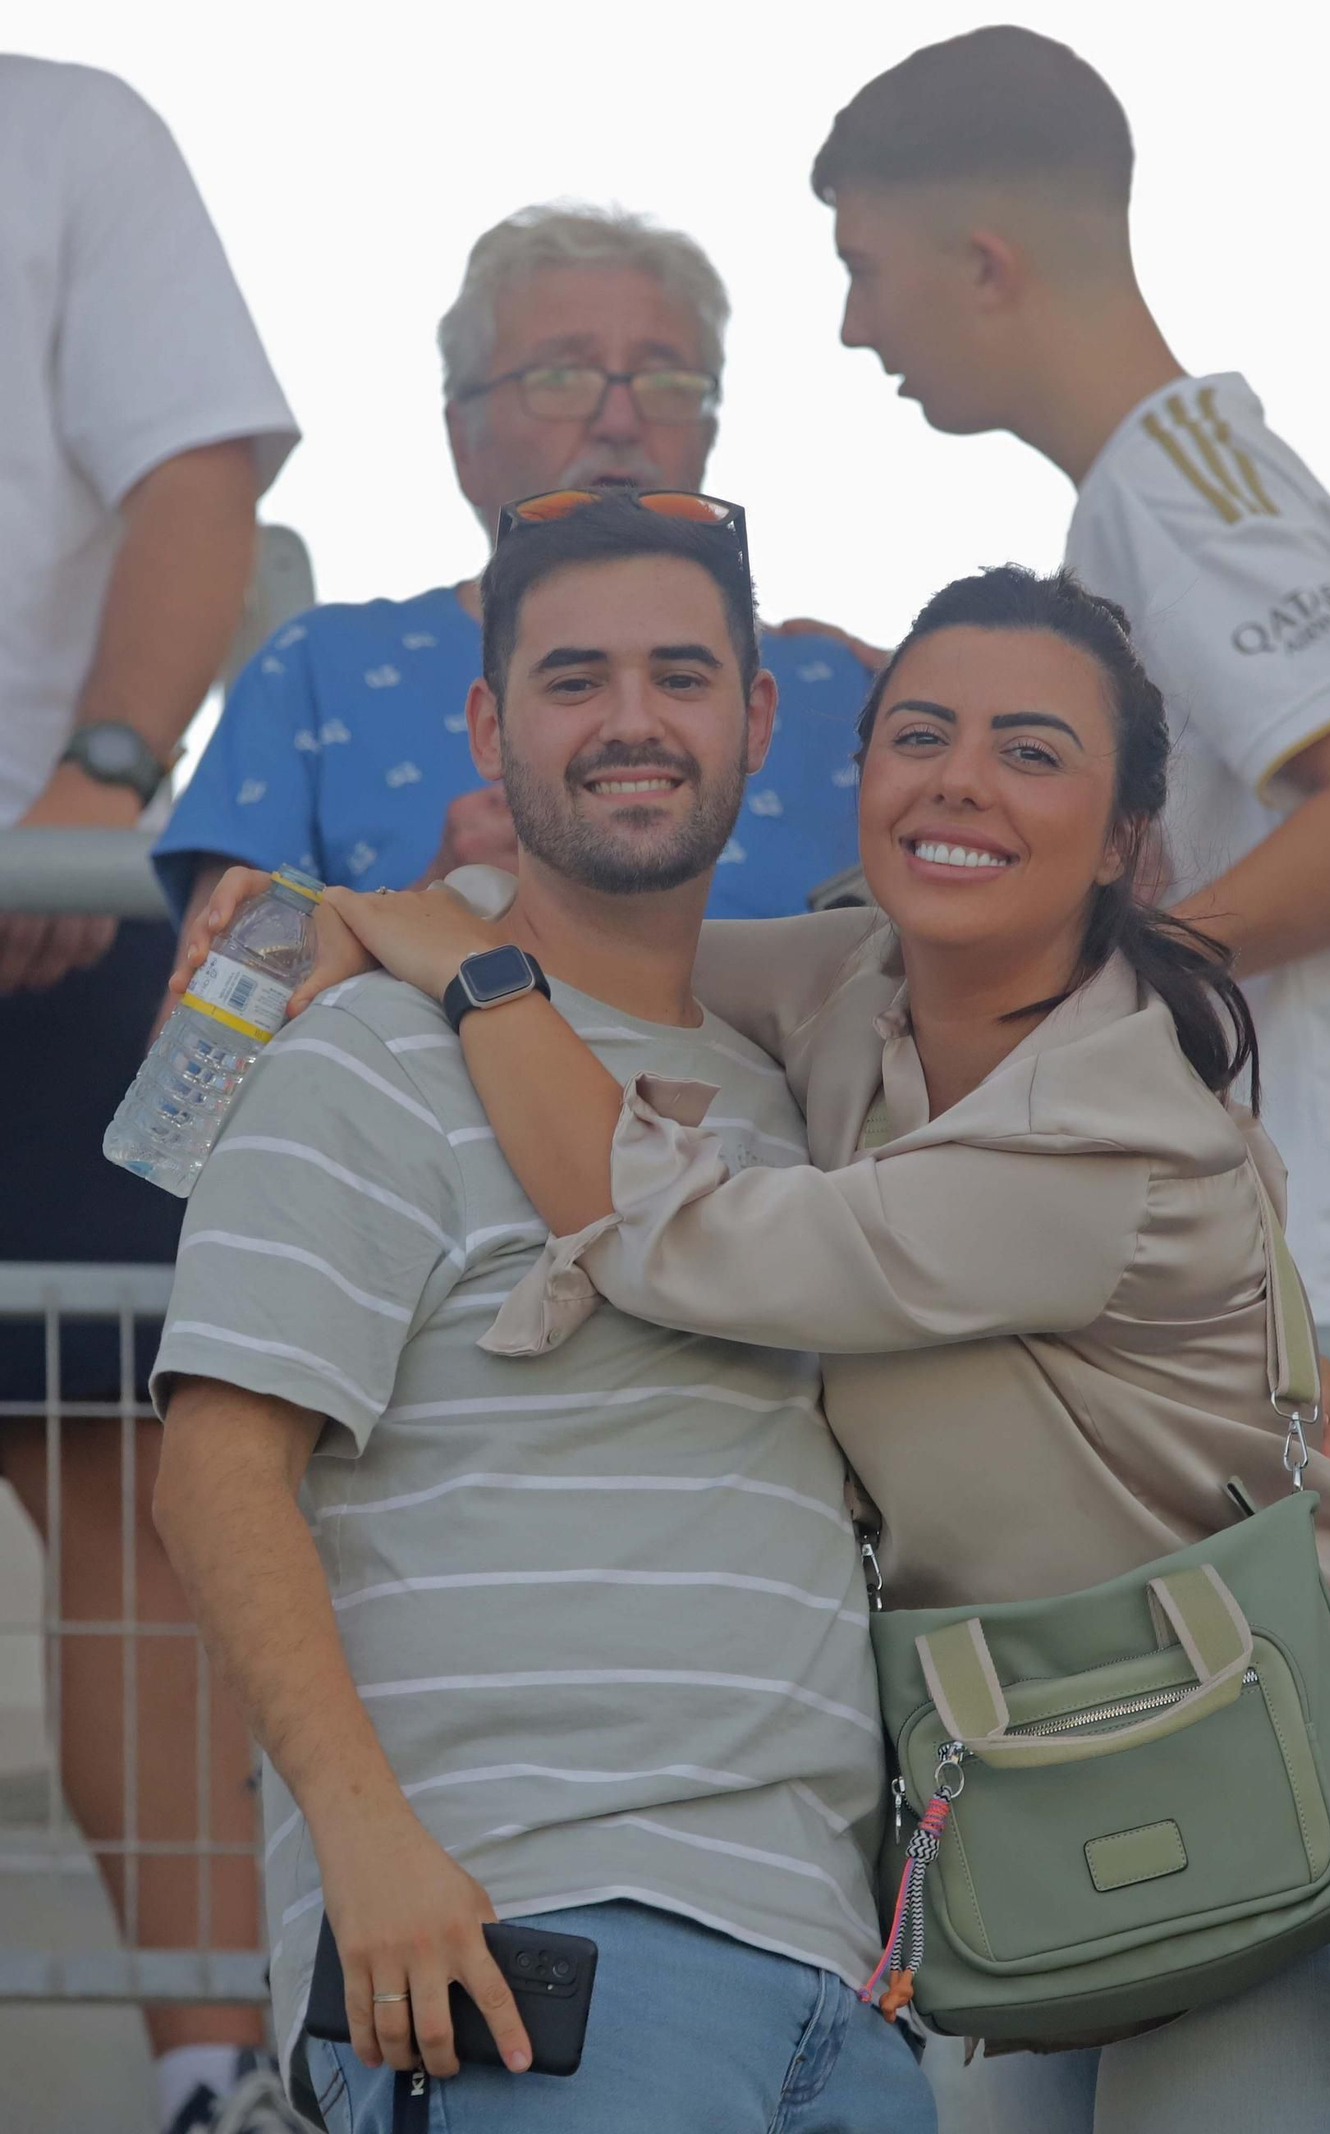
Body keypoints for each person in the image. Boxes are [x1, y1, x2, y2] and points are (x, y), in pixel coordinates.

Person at [246, 556, 1330, 2134]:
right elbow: (618, 960)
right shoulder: (854, 987)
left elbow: (671, 1233)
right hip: (1088, 1781)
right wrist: (377, 921)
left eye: (1033, 751)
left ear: (1127, 841)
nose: (963, 783)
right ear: (855, 775)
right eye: (921, 733)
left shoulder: (1105, 1130)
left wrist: (462, 964)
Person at [148, 494, 935, 2133]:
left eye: (681, 674)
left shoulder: (803, 1082)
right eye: (574, 678)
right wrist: (370, 1847)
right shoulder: (362, 1050)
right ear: (491, 726)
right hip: (524, 1954)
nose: (633, 720)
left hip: (838, 1985)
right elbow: (214, 1470)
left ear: (759, 718)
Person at [802, 26, 1330, 1655]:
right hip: (1298, 1273)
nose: (852, 329)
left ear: (983, 262)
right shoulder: (1146, 501)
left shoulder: (1186, 484)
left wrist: (1092, 991)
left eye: (861, 269)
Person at [0, 56, 300, 2134]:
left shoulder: (63, 128)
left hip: (41, 901)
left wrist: (101, 779)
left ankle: (210, 2073)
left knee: (117, 1479)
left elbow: (207, 478)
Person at [150, 202, 872, 945]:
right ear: (464, 437)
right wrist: (432, 907)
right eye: (561, 376)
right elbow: (204, 1038)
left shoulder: (853, 696)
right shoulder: (318, 668)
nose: (620, 420)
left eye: (667, 382)